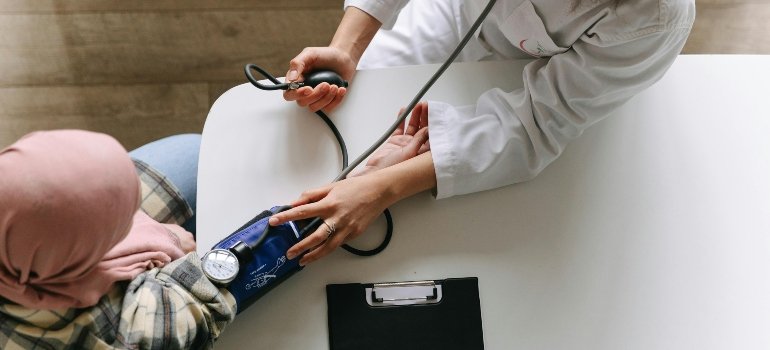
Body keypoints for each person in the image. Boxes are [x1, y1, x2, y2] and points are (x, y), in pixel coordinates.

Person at [272, 0, 696, 266]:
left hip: (548, 73)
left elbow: (537, 123)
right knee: (341, 123)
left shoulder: (654, 18)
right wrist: (347, 49)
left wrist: (382, 189)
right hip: (450, 14)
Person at [0, 130, 236, 349]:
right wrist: (171, 242)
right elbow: (194, 312)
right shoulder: (98, 328)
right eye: (122, 226)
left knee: (196, 151)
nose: (135, 218)